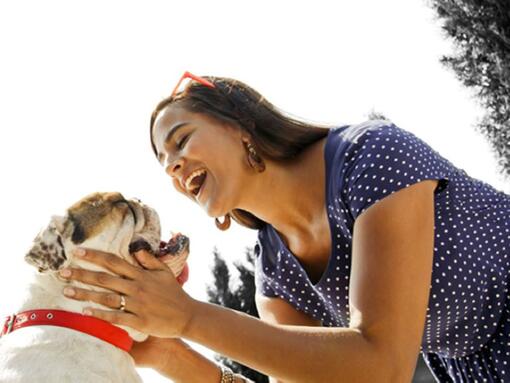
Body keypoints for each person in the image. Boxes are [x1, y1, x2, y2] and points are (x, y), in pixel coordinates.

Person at [58, 71, 510, 382]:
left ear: (241, 126)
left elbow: (382, 365)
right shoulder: (276, 270)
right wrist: (170, 351)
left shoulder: (371, 155)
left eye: (181, 140)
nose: (173, 166)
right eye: (164, 164)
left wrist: (189, 316)